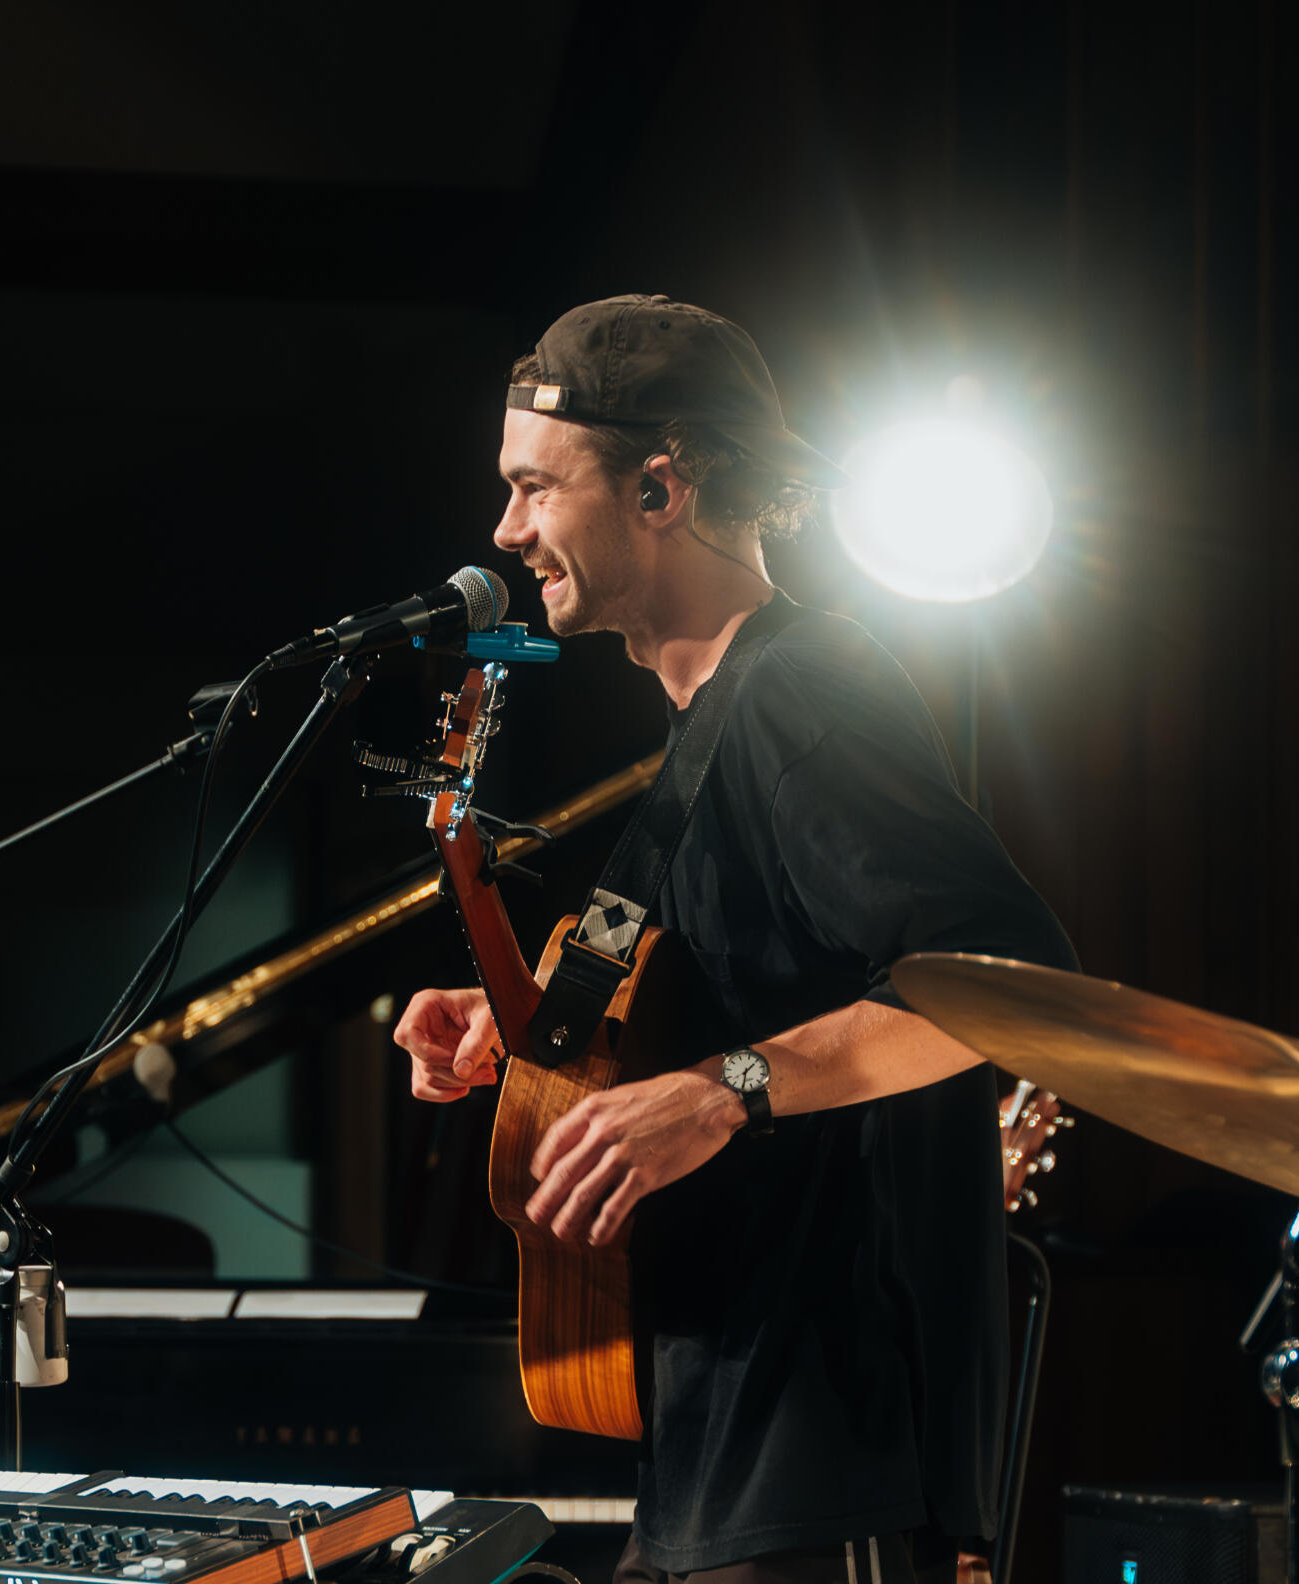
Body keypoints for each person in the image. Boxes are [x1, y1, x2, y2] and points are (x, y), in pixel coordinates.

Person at [392, 294, 1078, 1584]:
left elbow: (1011, 979)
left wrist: (725, 1089)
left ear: (660, 488)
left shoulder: (801, 693)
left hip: (833, 1450)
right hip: (726, 1445)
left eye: (536, 488)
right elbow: (723, 983)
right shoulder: (711, 723)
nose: (506, 532)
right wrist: (525, 1024)